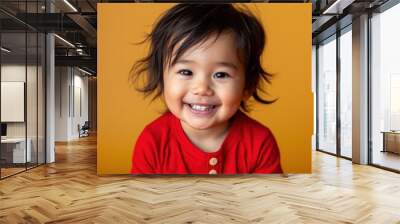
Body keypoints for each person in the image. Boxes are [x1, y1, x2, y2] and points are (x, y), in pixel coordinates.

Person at [130, 3, 282, 174]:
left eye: (221, 75)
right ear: (161, 79)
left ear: (248, 85)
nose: (202, 88)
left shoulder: (260, 142)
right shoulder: (152, 141)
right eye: (186, 72)